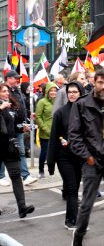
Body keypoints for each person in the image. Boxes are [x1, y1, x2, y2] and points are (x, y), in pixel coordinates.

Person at [69, 69, 104, 246]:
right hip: (92, 162)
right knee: (86, 204)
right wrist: (87, 157)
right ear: (94, 82)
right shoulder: (81, 105)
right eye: (100, 82)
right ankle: (79, 235)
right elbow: (74, 136)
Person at [47, 81, 85, 230]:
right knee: (71, 189)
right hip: (64, 157)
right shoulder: (60, 113)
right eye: (69, 91)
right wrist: (51, 162)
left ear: (81, 93)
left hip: (80, 157)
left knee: (75, 189)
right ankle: (71, 221)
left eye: (75, 91)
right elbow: (53, 137)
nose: (72, 94)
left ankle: (75, 219)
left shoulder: (85, 111)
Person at [0, 83, 35, 218]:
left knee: (16, 175)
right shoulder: (3, 106)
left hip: (10, 146)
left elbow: (14, 127)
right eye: (3, 91)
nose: (7, 94)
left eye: (7, 91)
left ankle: (22, 207)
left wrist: (23, 128)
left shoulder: (10, 107)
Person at [4, 70, 37, 185]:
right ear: (8, 78)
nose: (17, 80)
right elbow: (10, 110)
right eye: (14, 78)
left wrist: (28, 114)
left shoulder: (17, 90)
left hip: (19, 127)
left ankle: (25, 176)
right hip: (7, 128)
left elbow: (20, 107)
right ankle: (1, 176)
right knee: (4, 152)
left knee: (21, 152)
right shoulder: (4, 91)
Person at [35, 82, 58, 178]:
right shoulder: (42, 102)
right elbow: (38, 116)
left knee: (54, 152)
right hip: (45, 132)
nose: (53, 92)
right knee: (44, 152)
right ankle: (41, 170)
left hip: (56, 132)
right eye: (51, 90)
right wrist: (44, 128)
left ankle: (51, 170)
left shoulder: (58, 102)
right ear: (47, 91)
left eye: (55, 90)